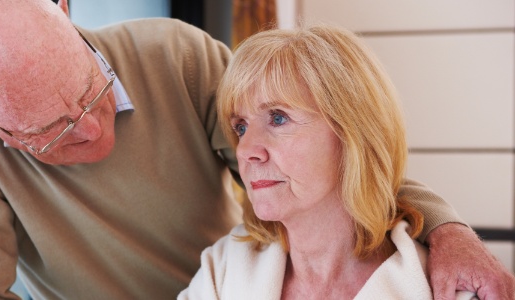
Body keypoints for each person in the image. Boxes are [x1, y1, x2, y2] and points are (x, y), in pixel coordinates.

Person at [0, 0, 513, 299]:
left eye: (95, 91)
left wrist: (447, 229)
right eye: (52, 132)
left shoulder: (176, 58)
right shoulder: (225, 272)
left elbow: (328, 170)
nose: (94, 131)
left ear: (67, 15)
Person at [176, 24, 489, 300]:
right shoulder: (224, 269)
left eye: (279, 117)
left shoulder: (448, 288)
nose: (245, 150)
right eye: (241, 126)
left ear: (353, 132)